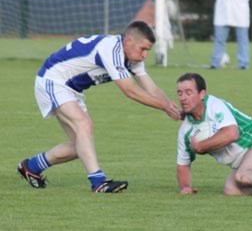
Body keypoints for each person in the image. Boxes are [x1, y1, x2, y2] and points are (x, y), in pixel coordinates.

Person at [18, 20, 182, 193]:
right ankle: (99, 182)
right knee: (84, 125)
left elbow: (151, 88)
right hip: (53, 80)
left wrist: (171, 105)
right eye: (143, 49)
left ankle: (31, 167)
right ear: (128, 42)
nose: (145, 55)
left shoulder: (132, 58)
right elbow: (130, 90)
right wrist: (163, 106)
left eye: (148, 50)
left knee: (80, 146)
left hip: (72, 90)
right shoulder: (111, 49)